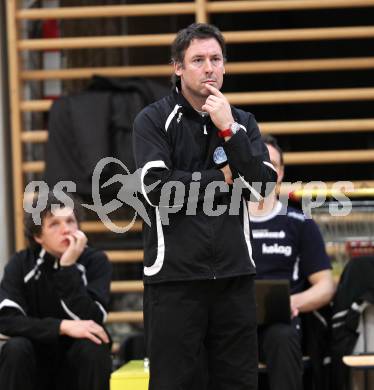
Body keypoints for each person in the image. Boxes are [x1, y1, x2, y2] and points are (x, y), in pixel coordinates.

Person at [133, 23, 277, 390]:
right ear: (177, 68)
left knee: (238, 383)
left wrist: (228, 131)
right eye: (198, 60)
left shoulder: (242, 122)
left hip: (234, 280)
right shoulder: (152, 120)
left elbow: (261, 186)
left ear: (225, 66)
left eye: (215, 59)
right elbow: (157, 189)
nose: (209, 67)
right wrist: (223, 178)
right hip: (175, 281)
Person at [248, 135, 336, 390]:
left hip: (282, 324)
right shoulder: (227, 223)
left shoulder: (300, 222)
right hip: (235, 321)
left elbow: (326, 286)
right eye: (258, 163)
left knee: (282, 336)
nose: (265, 170)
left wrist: (291, 303)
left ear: (281, 172)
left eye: (272, 164)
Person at [0, 192, 112, 390]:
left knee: (94, 345)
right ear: (38, 236)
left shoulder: (95, 261)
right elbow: (7, 321)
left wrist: (68, 267)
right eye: (54, 224)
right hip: (35, 367)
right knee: (16, 348)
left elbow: (94, 321)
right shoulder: (20, 264)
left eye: (70, 221)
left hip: (76, 365)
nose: (66, 229)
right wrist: (62, 326)